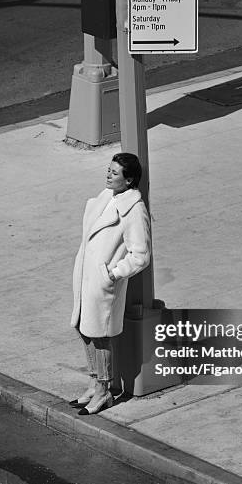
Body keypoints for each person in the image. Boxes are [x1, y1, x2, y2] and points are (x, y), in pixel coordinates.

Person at [70, 153, 151, 415]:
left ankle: (104, 391)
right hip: (86, 276)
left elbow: (140, 255)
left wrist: (113, 274)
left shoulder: (134, 209)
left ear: (128, 180)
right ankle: (95, 384)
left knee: (100, 336)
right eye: (108, 170)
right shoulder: (106, 196)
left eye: (114, 173)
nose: (108, 175)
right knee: (84, 329)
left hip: (103, 281)